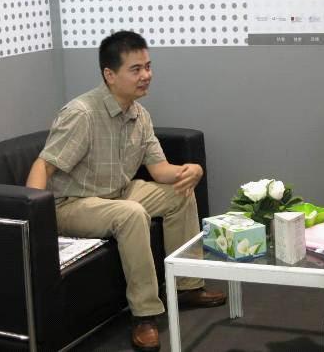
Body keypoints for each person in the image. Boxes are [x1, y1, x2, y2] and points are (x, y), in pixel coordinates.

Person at [26, 30, 226, 351]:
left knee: (179, 192)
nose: (146, 75)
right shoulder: (82, 114)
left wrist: (191, 170)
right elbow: (44, 165)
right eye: (136, 69)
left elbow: (160, 170)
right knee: (132, 214)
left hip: (118, 192)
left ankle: (187, 286)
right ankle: (144, 314)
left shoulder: (139, 114)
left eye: (148, 66)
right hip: (73, 203)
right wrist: (34, 219)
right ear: (110, 74)